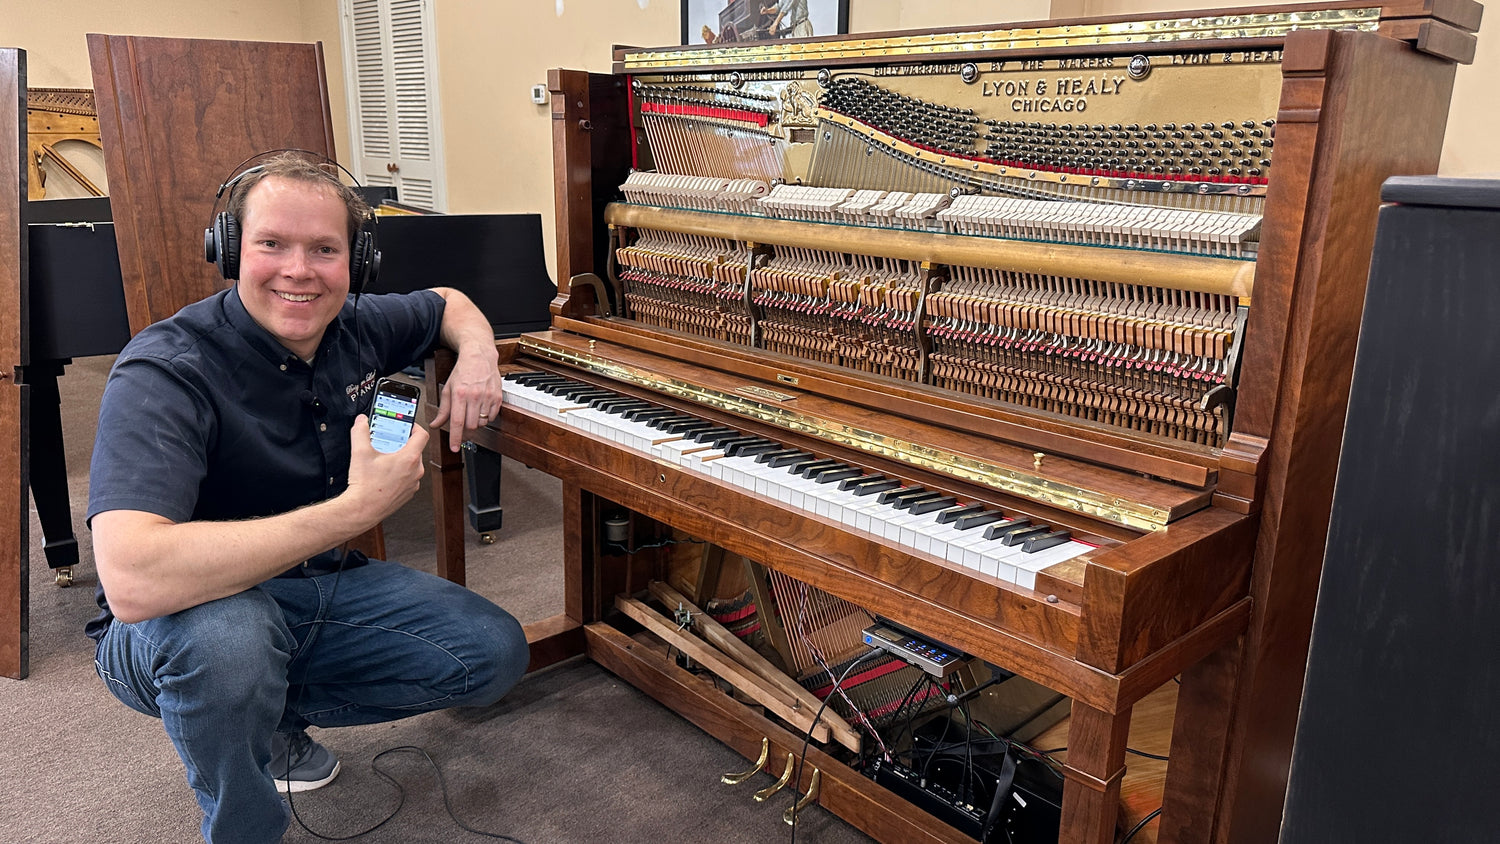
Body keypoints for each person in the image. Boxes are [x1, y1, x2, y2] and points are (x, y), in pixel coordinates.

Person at [85, 151, 530, 844]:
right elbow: (135, 580)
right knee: (228, 642)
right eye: (271, 244)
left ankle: (270, 718)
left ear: (358, 263)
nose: (299, 270)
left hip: (314, 589)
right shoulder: (166, 369)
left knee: (491, 653)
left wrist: (478, 354)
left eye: (324, 249)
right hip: (177, 620)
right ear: (230, 251)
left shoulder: (358, 324)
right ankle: (243, 824)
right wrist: (354, 512)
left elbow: (449, 303)